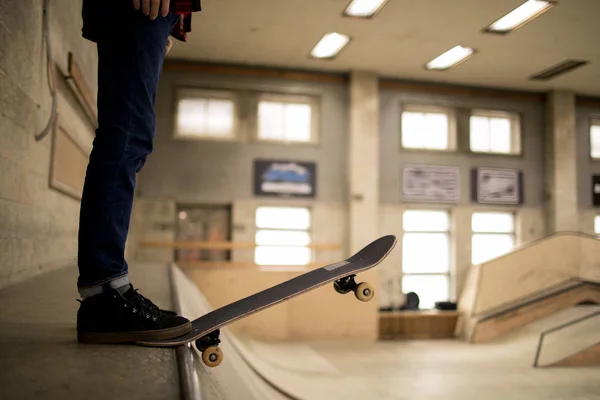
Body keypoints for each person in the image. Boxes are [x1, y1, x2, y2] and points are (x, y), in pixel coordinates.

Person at [75, 0, 202, 344]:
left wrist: (172, 23)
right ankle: (104, 294)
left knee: (128, 136)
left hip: (156, 16)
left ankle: (104, 290)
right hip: (140, 11)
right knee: (127, 135)